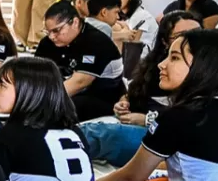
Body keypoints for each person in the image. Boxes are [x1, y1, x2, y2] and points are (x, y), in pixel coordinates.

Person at [96, 28, 218, 181]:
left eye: (174, 58)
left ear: (205, 67)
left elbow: (130, 178)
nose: (162, 64)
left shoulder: (180, 116)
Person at [79, 11, 200, 167]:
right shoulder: (154, 67)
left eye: (197, 34)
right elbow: (133, 94)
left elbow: (193, 120)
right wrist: (124, 104)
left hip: (170, 141)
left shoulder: (211, 75)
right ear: (165, 42)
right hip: (145, 130)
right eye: (181, 36)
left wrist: (147, 120)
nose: (192, 40)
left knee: (103, 134)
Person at [33, 0, 124, 122]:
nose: (52, 36)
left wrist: (43, 102)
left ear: (75, 22)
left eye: (56, 30)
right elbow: (36, 74)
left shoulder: (96, 41)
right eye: (48, 32)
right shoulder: (48, 42)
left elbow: (80, 82)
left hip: (102, 99)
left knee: (60, 109)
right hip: (67, 93)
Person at [110, 0, 156, 75]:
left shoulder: (141, 15)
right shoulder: (122, 16)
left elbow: (132, 40)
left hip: (141, 62)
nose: (114, 1)